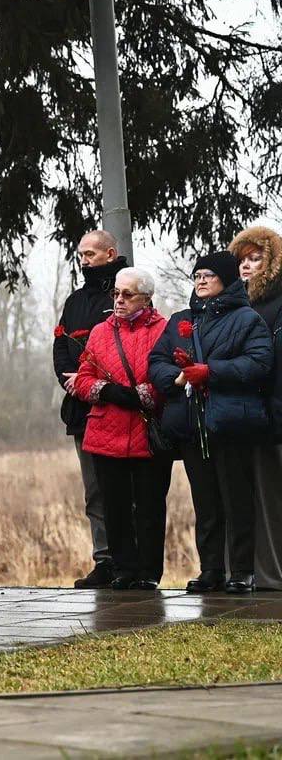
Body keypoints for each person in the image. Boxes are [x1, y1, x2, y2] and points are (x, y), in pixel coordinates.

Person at [149, 251, 272, 594]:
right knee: (205, 503)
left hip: (230, 424)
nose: (200, 280)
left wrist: (212, 372)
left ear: (227, 280)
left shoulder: (247, 320)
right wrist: (176, 377)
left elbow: (260, 363)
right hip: (192, 425)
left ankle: (242, 571)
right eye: (197, 275)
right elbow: (156, 361)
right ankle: (211, 570)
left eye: (208, 275)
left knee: (236, 500)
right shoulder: (180, 321)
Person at [69, 267, 170, 589]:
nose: (119, 300)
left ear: (146, 298)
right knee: (115, 505)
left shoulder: (164, 330)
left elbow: (169, 376)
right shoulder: (100, 332)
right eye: (116, 293)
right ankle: (123, 568)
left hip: (147, 431)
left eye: (127, 294)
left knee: (150, 505)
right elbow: (82, 378)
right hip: (107, 430)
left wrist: (142, 395)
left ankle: (149, 572)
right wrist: (106, 391)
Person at [54, 230, 128, 588]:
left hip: (122, 410)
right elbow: (61, 347)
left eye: (91, 254)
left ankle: (132, 561)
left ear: (110, 253)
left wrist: (100, 385)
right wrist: (73, 382)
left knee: (126, 489)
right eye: (81, 254)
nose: (84, 260)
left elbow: (128, 348)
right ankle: (105, 560)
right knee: (95, 490)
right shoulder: (75, 301)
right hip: (82, 410)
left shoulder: (127, 292)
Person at [231, 226, 282, 590]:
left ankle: (271, 577)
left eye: (255, 258)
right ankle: (256, 575)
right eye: (242, 260)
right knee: (251, 500)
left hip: (273, 409)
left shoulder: (276, 302)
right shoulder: (235, 304)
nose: (247, 266)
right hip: (241, 414)